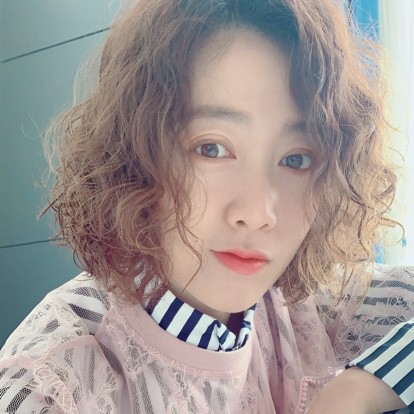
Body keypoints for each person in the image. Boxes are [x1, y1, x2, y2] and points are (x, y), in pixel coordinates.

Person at [0, 0, 413, 412]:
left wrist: (354, 390)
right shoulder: (50, 387)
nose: (259, 213)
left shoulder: (304, 308)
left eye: (296, 159)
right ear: (136, 155)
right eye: (211, 148)